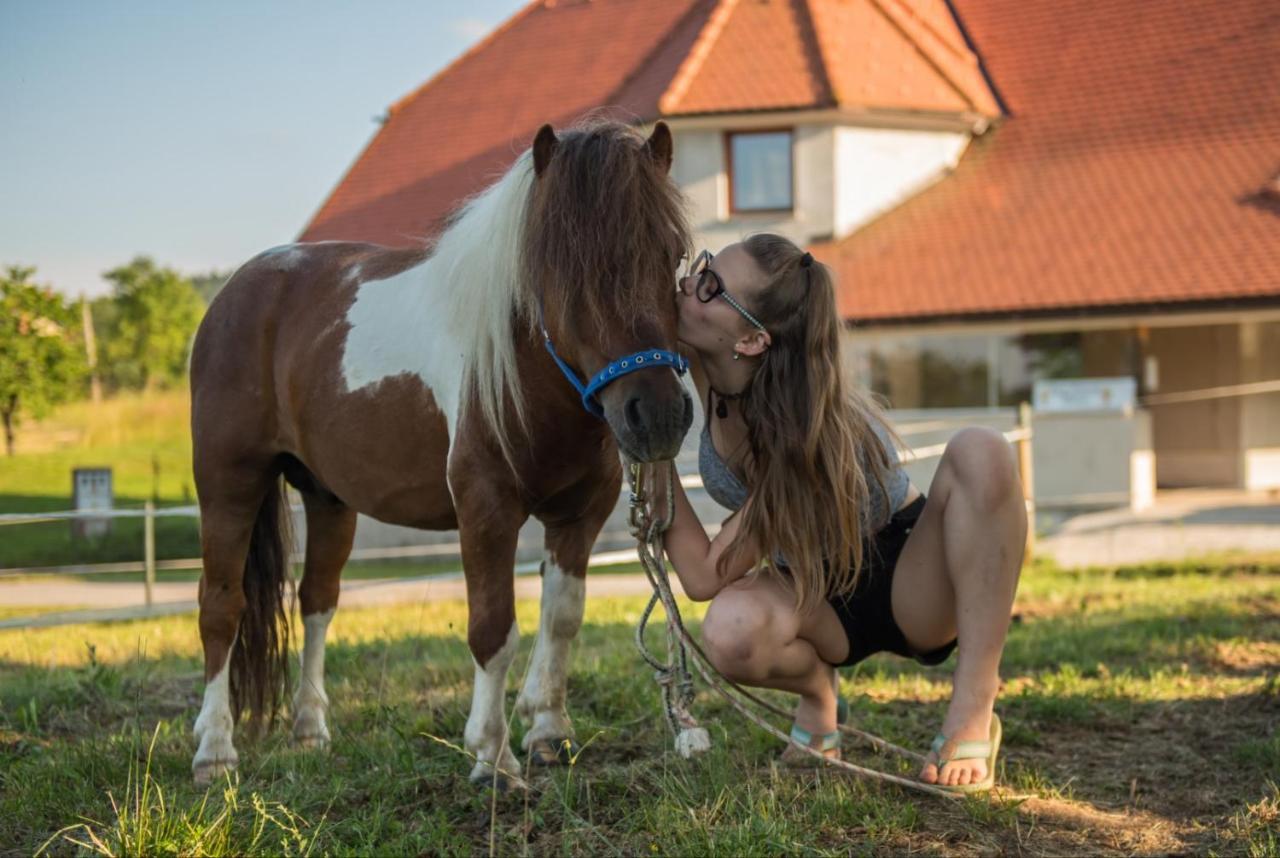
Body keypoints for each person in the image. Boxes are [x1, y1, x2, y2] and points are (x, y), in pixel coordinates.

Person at [661, 233, 1027, 791]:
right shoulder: (708, 355)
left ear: (754, 340)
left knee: (983, 449)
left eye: (711, 287)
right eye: (703, 268)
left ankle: (974, 707)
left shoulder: (800, 437)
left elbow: (703, 572)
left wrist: (651, 462)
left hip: (907, 580)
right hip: (812, 592)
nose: (691, 284)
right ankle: (818, 694)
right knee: (732, 632)